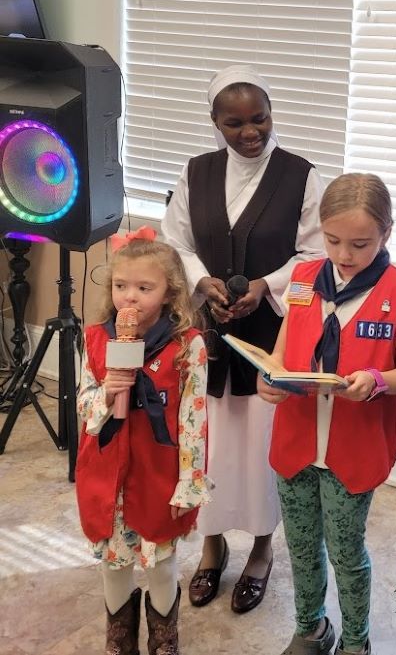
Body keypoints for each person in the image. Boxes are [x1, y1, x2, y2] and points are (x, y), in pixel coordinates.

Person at [162, 64, 325, 613]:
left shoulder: (301, 176)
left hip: (269, 337)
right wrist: (200, 281)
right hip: (207, 337)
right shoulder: (197, 173)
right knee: (204, 445)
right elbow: (176, 241)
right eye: (235, 122)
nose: (250, 131)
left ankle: (259, 550)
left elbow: (315, 253)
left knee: (260, 448)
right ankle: (210, 549)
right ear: (215, 122)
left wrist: (263, 286)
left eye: (259, 118)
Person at [258, 173, 396, 655]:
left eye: (359, 243)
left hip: (352, 449)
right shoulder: (305, 279)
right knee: (303, 547)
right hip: (297, 442)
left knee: (347, 553)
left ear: (385, 234)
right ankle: (310, 627)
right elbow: (282, 352)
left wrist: (377, 380)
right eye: (332, 241)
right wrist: (267, 377)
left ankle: (356, 641)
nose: (344, 254)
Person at [75, 229, 211, 655]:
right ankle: (119, 642)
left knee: (161, 562)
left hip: (159, 474)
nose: (129, 298)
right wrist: (109, 391)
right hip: (106, 473)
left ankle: (164, 641)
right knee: (114, 562)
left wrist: (190, 483)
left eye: (143, 288)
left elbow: (194, 420)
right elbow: (84, 406)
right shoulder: (97, 337)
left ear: (169, 293)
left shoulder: (188, 346)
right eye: (120, 286)